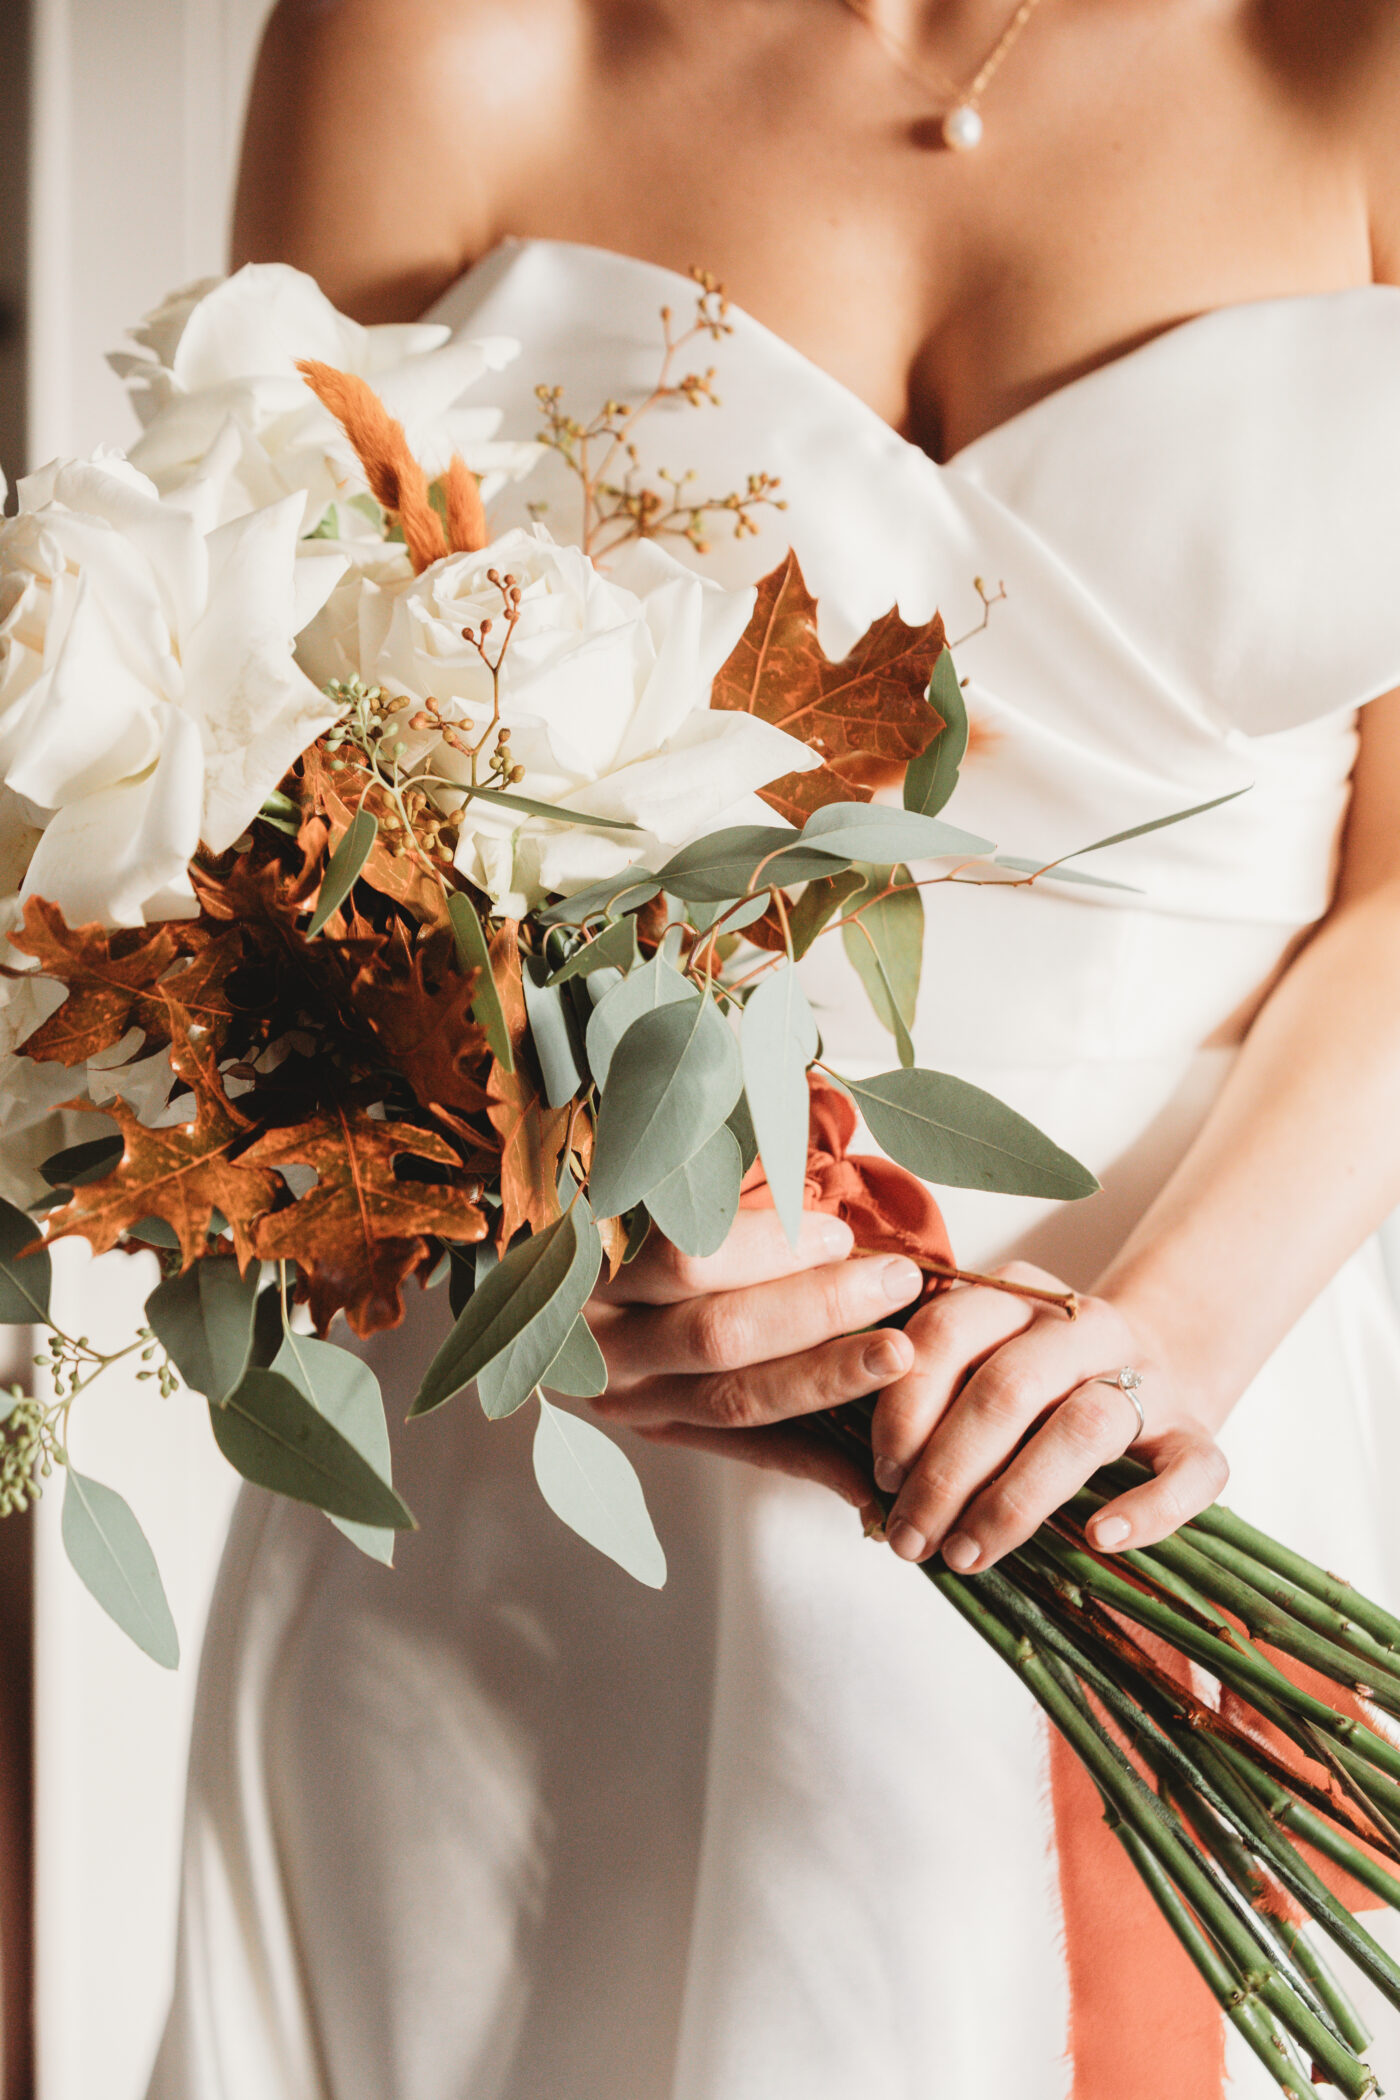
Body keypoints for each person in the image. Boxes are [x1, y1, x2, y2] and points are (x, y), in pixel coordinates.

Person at [149, 5, 1400, 2096]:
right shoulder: (430, 39)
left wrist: (1161, 1345)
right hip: (564, 1442)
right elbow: (279, 813)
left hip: (1202, 1385)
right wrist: (583, 1179)